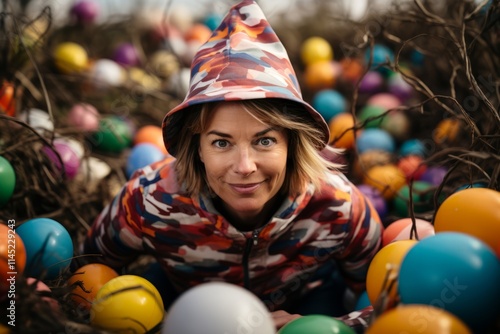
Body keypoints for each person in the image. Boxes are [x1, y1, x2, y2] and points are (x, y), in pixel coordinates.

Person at [81, 0, 383, 331]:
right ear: (196, 147)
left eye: (264, 141)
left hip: (307, 302)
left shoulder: (340, 207)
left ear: (292, 143)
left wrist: (326, 326)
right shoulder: (148, 201)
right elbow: (86, 275)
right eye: (221, 142)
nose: (244, 167)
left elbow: (383, 302)